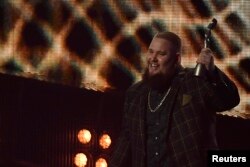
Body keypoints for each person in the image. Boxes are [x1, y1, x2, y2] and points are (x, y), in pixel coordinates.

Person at [109, 31, 240, 167]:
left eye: (161, 54)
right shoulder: (135, 94)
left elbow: (230, 99)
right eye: (151, 52)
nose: (153, 58)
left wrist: (213, 72)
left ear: (177, 59)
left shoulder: (193, 82)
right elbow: (125, 141)